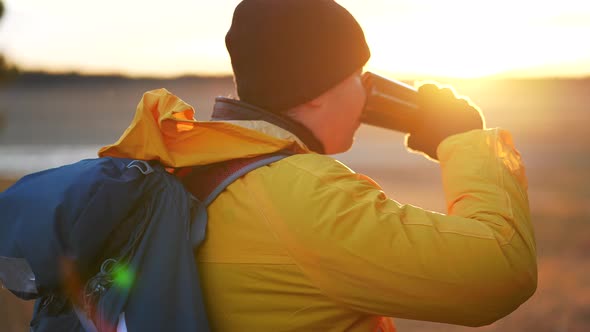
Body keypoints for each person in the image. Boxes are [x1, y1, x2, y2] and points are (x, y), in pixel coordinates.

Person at [100, 0, 537, 331]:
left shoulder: (191, 164)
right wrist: (462, 139)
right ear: (314, 89)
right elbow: (498, 271)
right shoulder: (306, 197)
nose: (366, 93)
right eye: (358, 76)